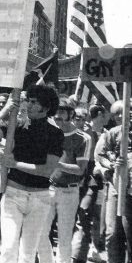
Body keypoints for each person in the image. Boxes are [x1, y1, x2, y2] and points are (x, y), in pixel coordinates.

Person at [0, 85, 64, 263]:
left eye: (34, 102)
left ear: (46, 107)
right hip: (13, 194)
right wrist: (6, 108)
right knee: (8, 249)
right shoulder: (16, 126)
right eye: (28, 100)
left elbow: (47, 170)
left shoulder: (55, 134)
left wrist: (14, 164)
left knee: (27, 254)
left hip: (40, 197)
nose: (29, 105)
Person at [37, 97, 90, 263]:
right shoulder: (47, 133)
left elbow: (80, 169)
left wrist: (56, 164)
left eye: (61, 111)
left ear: (70, 114)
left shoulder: (83, 138)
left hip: (69, 191)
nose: (57, 115)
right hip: (46, 189)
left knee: (64, 237)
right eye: (55, 112)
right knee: (39, 233)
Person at [94, 100, 132, 263]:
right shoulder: (112, 133)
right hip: (117, 187)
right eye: (116, 113)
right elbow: (100, 156)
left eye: (124, 112)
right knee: (113, 232)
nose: (121, 116)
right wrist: (111, 164)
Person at [72, 104, 107, 262]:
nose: (80, 122)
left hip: (89, 180)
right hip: (67, 181)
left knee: (84, 215)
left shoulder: (91, 135)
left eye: (83, 119)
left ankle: (78, 256)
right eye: (76, 118)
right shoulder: (65, 135)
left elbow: (94, 159)